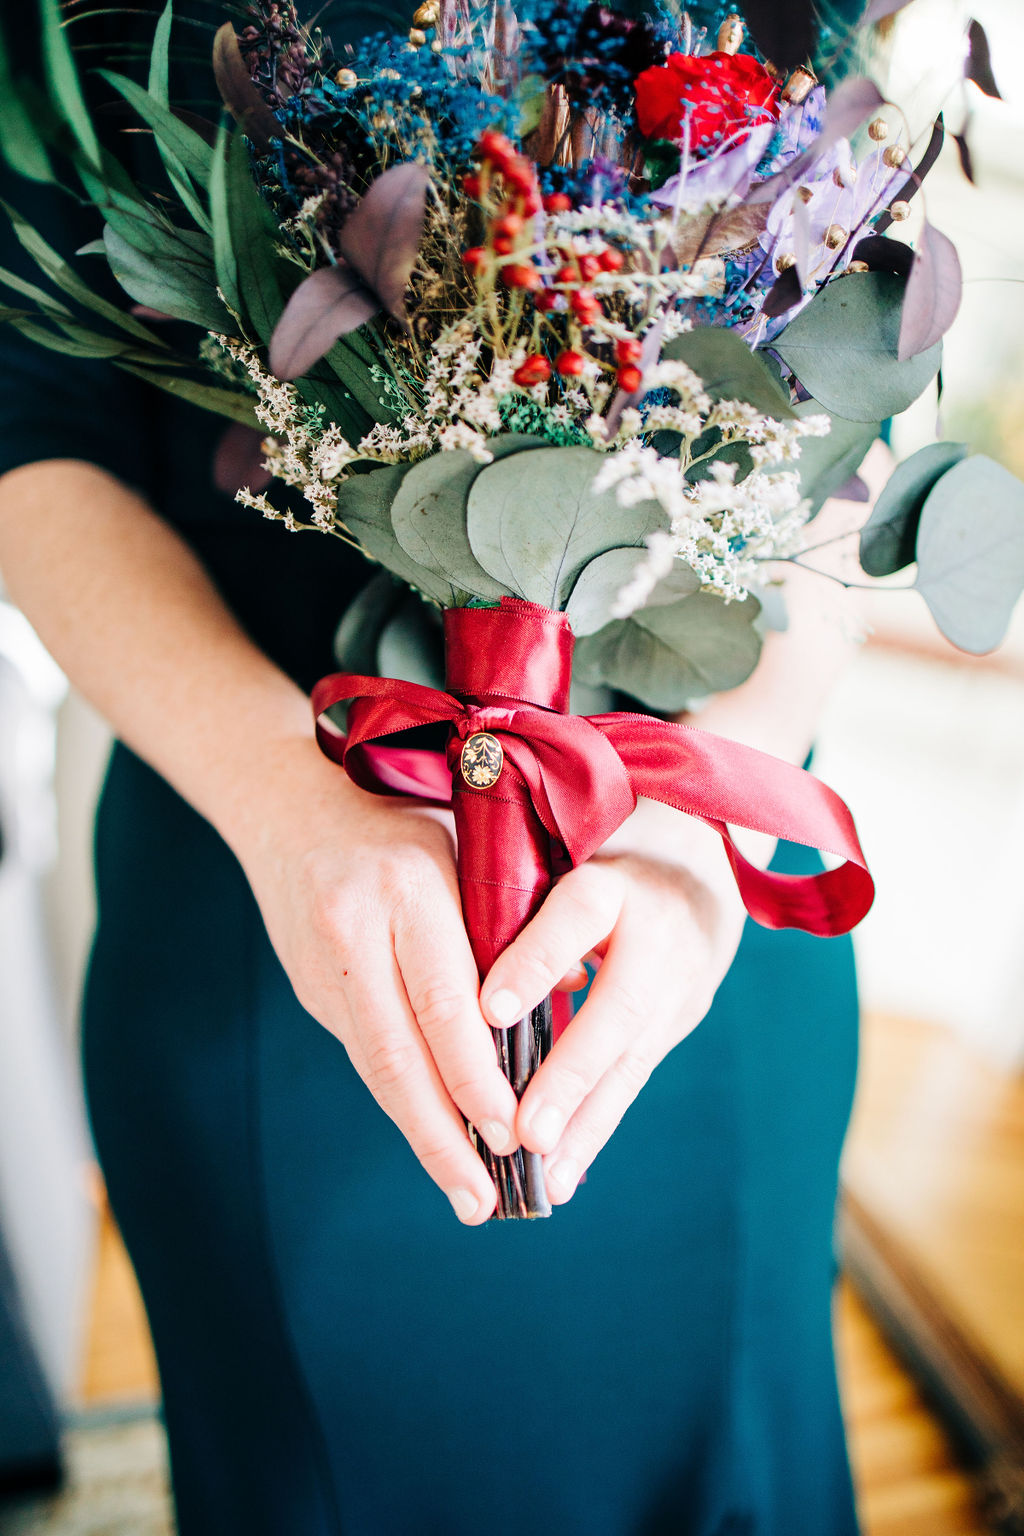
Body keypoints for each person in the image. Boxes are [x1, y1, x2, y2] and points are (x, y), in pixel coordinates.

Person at [0, 2, 877, 1530]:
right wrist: (285, 806)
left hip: (685, 884)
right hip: (281, 884)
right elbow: (29, 425)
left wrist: (692, 808)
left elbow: (843, 401)